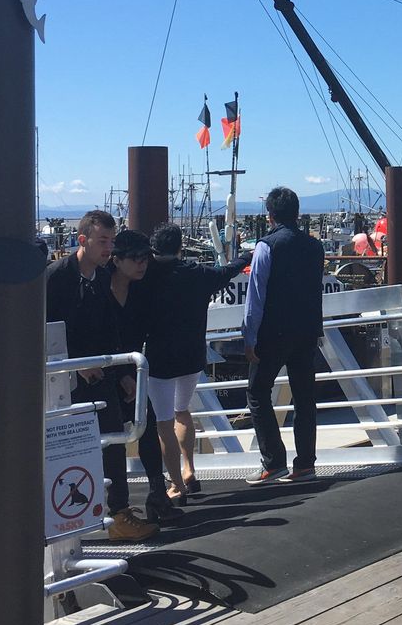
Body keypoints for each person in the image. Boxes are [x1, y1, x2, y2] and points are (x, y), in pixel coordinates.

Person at [45, 210, 159, 542]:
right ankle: (71, 520)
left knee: (112, 442)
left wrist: (124, 374)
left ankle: (119, 515)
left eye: (111, 241)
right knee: (70, 449)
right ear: (83, 240)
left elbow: (110, 330)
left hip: (101, 379)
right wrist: (75, 365)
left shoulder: (98, 277)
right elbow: (37, 327)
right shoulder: (56, 278)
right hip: (63, 384)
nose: (109, 248)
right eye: (102, 241)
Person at [142, 223, 250, 502]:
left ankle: (176, 484)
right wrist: (248, 256)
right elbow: (227, 271)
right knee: (183, 411)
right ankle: (190, 470)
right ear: (180, 247)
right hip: (192, 356)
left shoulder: (146, 276)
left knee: (163, 422)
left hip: (161, 359)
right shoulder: (198, 274)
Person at [244, 187, 325, 486]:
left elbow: (255, 299)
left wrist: (249, 337)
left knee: (256, 392)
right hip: (307, 332)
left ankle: (273, 461)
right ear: (298, 213)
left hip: (273, 333)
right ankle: (305, 464)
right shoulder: (315, 247)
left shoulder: (266, 247)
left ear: (270, 215)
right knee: (305, 398)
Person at [107, 229, 182, 524]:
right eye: (135, 258)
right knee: (112, 440)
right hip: (104, 374)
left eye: (145, 258)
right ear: (116, 260)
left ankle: (157, 493)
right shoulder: (98, 289)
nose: (142, 264)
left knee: (147, 428)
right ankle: (119, 509)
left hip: (133, 372)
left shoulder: (141, 290)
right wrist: (121, 374)